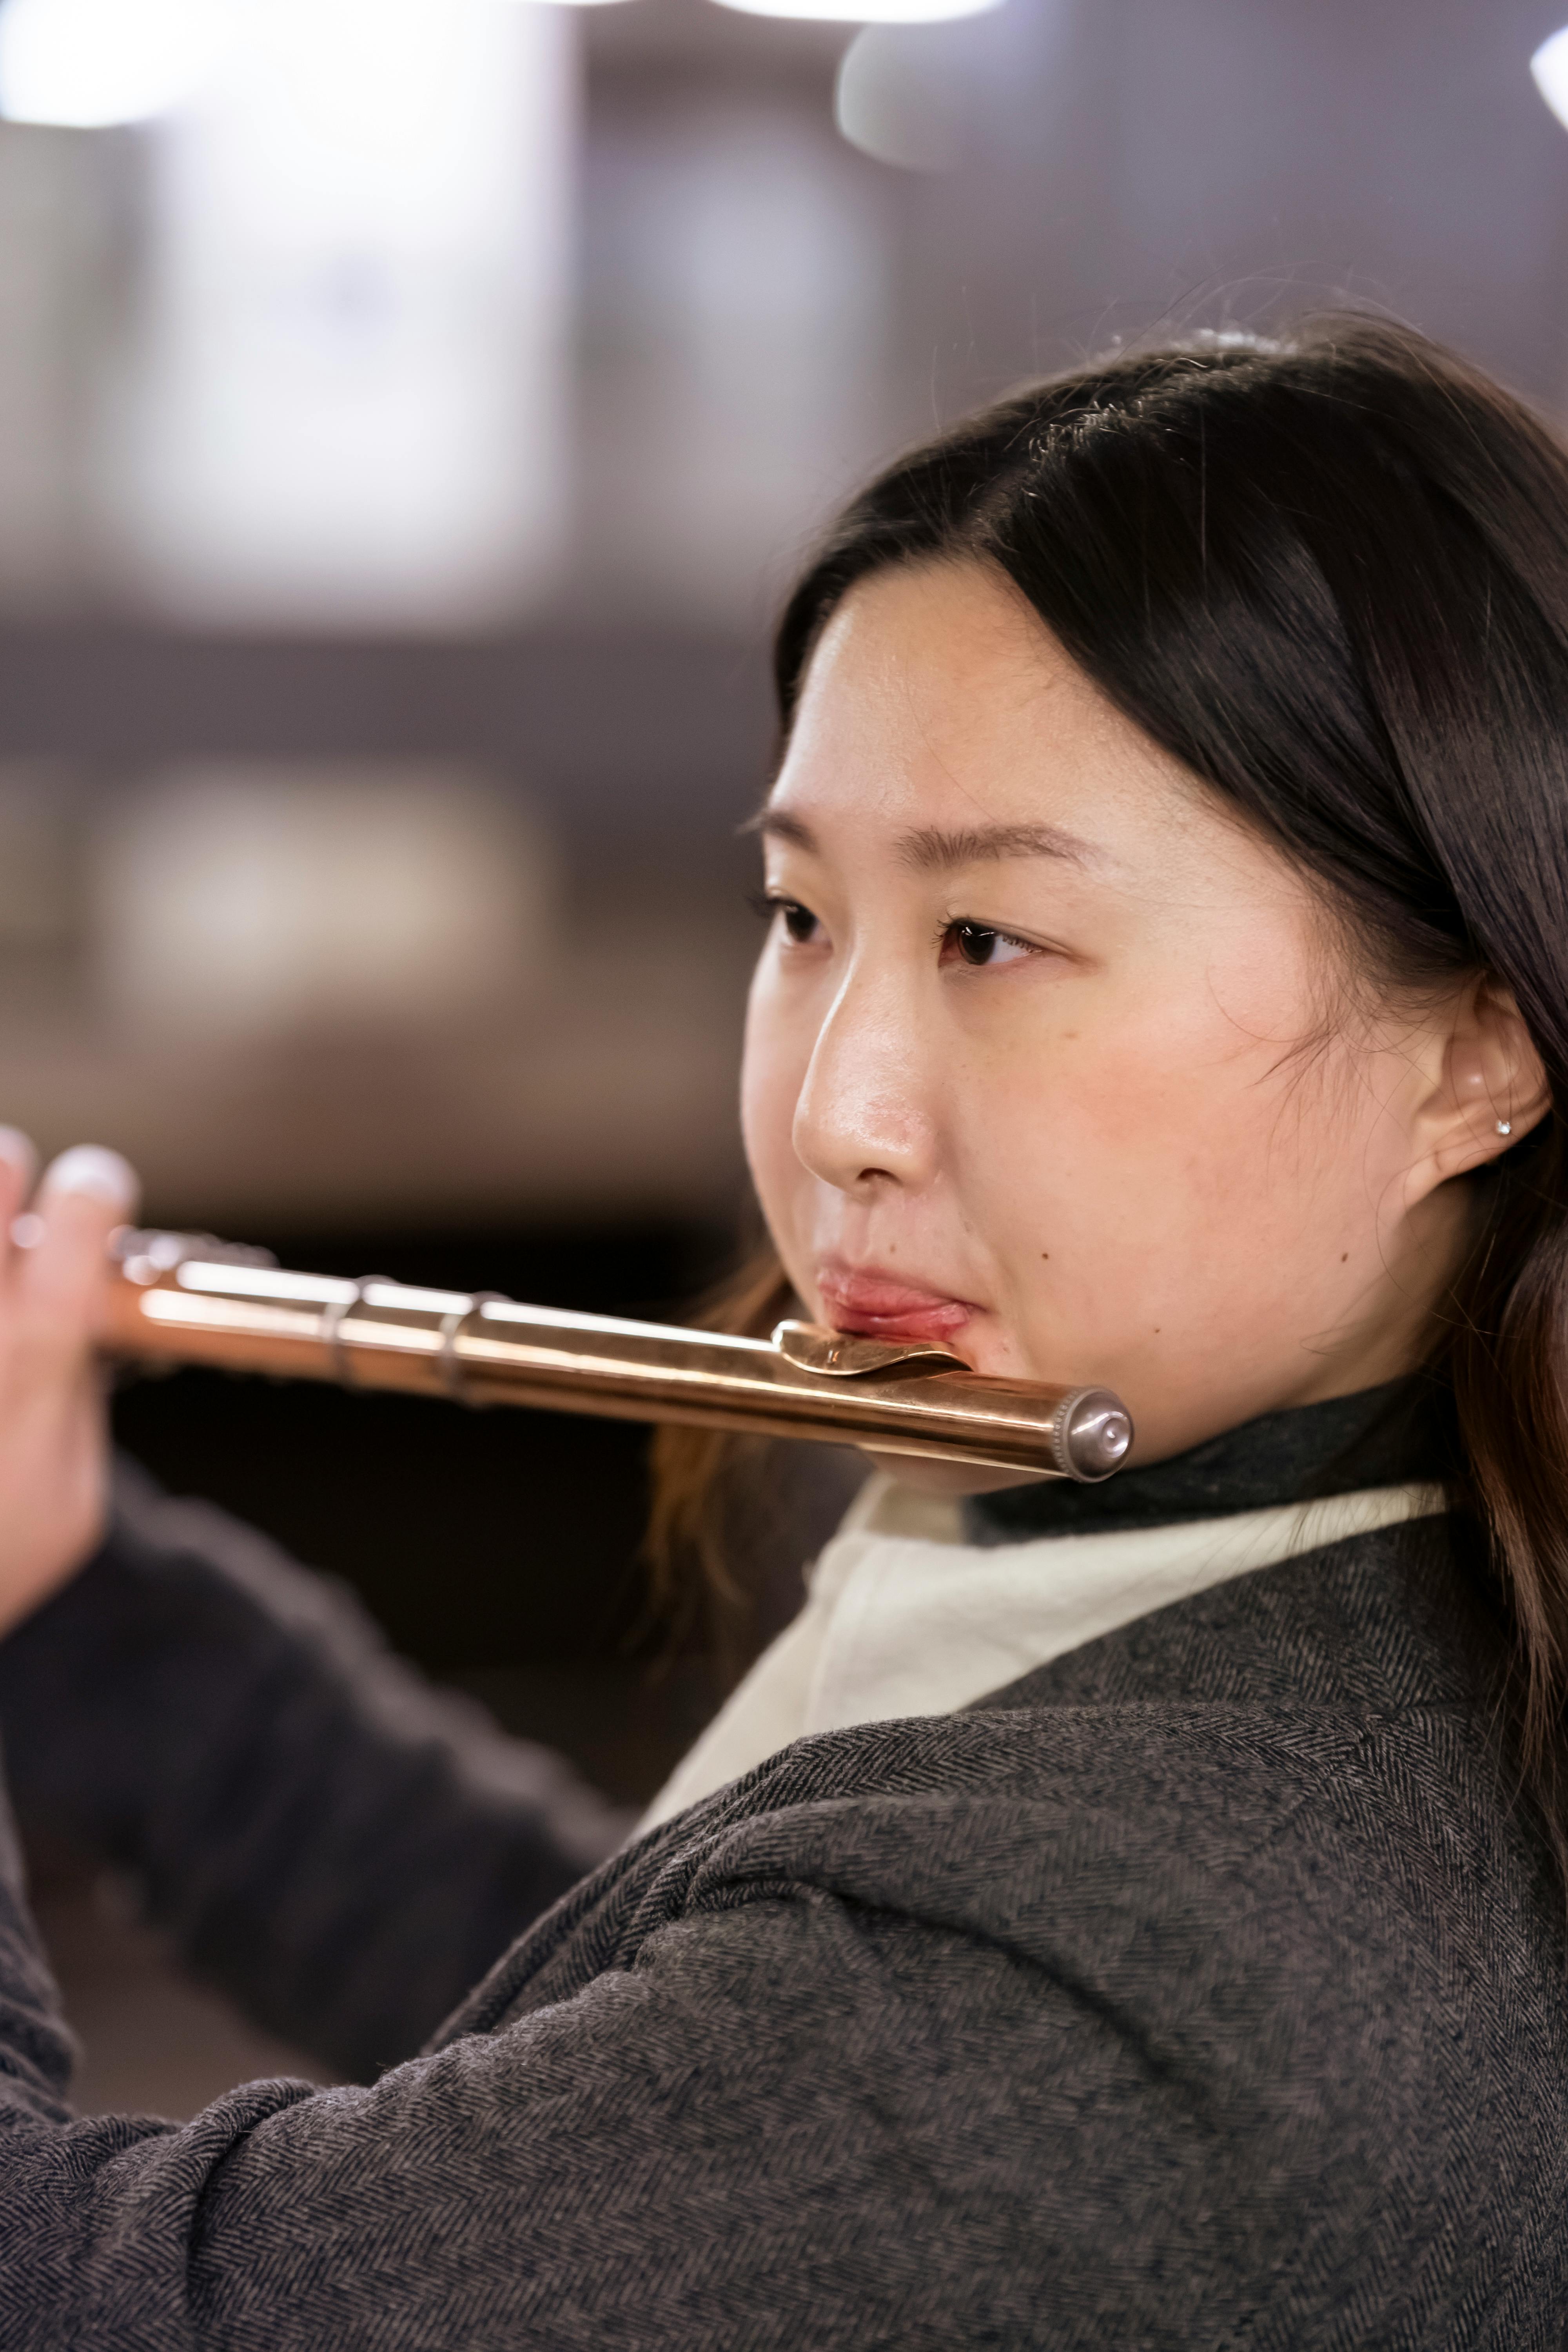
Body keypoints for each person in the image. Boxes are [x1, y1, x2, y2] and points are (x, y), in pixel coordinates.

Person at [0, 315, 1565, 2348]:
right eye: (801, 916)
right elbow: (661, 2079)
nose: (834, 1116)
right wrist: (80, 1597)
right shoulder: (1285, 1525)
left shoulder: (1147, 1950)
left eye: (992, 941)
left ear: (1476, 1061)